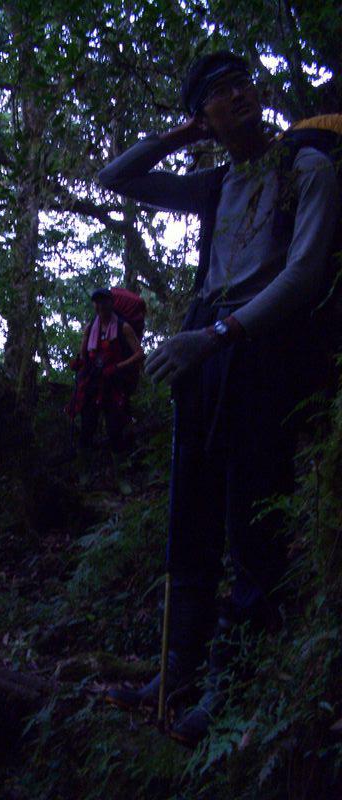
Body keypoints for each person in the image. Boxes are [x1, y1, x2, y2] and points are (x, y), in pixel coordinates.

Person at [100, 51, 339, 745]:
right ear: (203, 113)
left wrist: (218, 336)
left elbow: (304, 274)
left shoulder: (306, 169)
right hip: (204, 349)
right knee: (192, 507)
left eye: (242, 85)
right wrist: (184, 133)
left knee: (253, 510)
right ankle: (177, 666)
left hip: (261, 348)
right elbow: (115, 178)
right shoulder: (219, 182)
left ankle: (228, 686)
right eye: (219, 93)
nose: (238, 96)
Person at [69, 288, 144, 493]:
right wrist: (79, 363)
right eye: (97, 303)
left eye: (104, 302)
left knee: (115, 430)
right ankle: (84, 475)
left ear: (111, 303)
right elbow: (84, 354)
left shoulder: (123, 327)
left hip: (114, 385)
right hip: (93, 383)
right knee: (87, 428)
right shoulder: (90, 328)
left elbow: (139, 354)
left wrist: (118, 367)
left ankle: (122, 478)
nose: (100, 306)